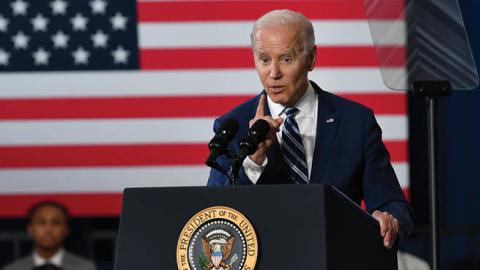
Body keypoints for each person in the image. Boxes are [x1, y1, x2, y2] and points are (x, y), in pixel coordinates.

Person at [207, 9, 413, 249]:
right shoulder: (233, 126)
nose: (273, 73)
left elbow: (394, 205)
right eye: (264, 59)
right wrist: (253, 162)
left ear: (311, 59)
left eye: (285, 59)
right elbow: (215, 213)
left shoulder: (355, 121)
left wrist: (388, 220)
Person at [3, 201, 96, 270]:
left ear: (66, 230)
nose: (48, 230)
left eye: (56, 223)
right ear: (30, 229)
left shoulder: (85, 268)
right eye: (41, 223)